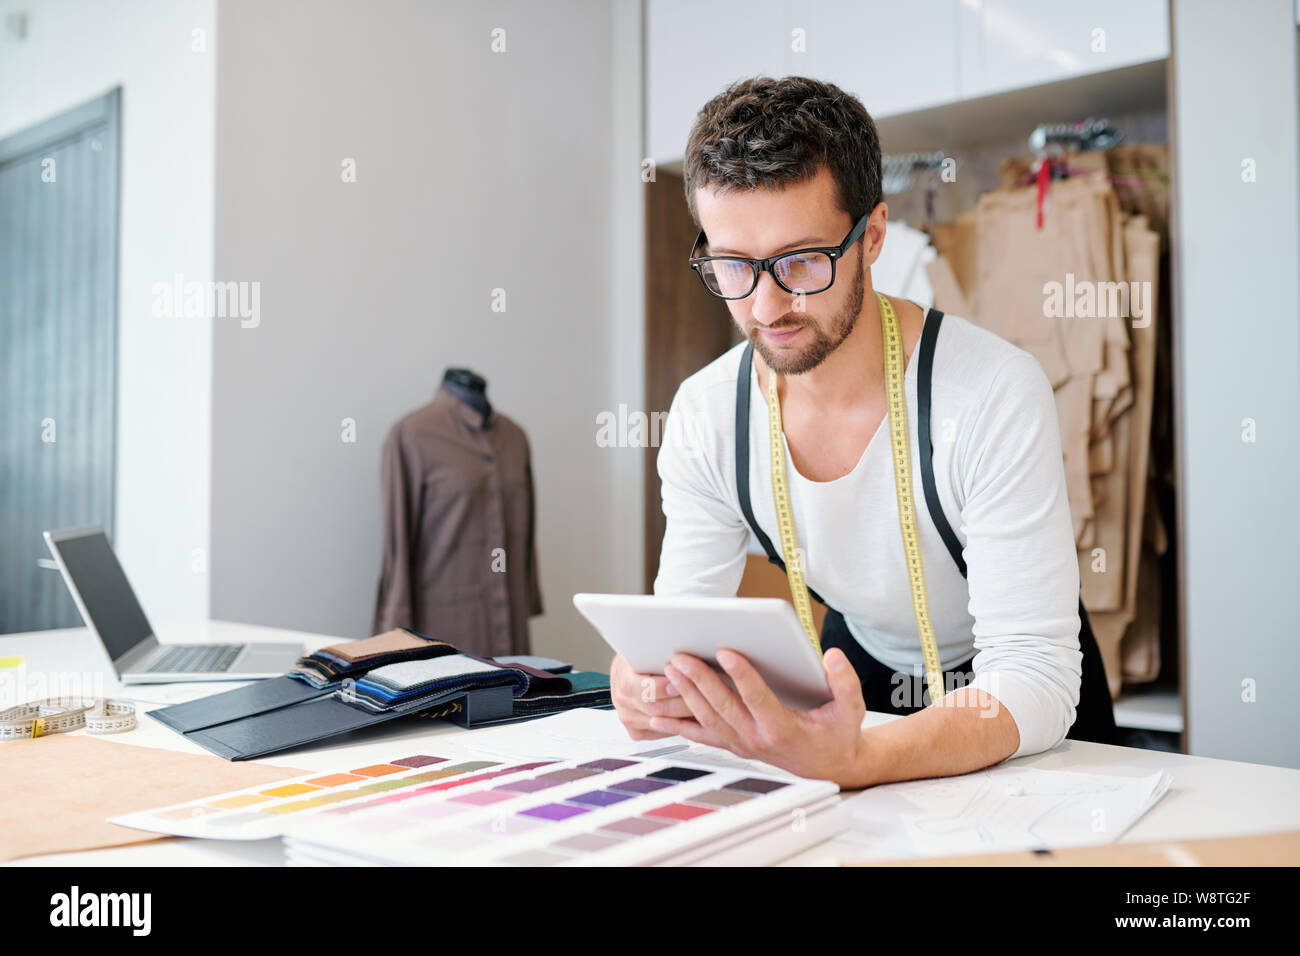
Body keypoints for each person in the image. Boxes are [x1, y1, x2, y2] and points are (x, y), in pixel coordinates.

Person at [610, 75, 1115, 790]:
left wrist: (860, 762)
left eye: (801, 261)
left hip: (1019, 693)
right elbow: (675, 632)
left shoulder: (990, 392)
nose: (766, 304)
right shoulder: (706, 414)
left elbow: (1034, 672)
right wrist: (645, 687)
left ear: (872, 236)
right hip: (865, 669)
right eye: (733, 265)